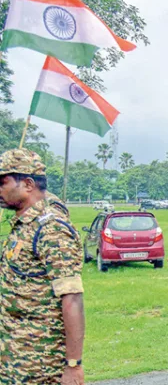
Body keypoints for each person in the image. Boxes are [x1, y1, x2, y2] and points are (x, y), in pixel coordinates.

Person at [0, 149, 85, 383]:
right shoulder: (26, 223)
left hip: (41, 364)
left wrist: (73, 365)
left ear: (28, 184)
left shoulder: (51, 230)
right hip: (16, 358)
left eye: (3, 182)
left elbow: (72, 297)